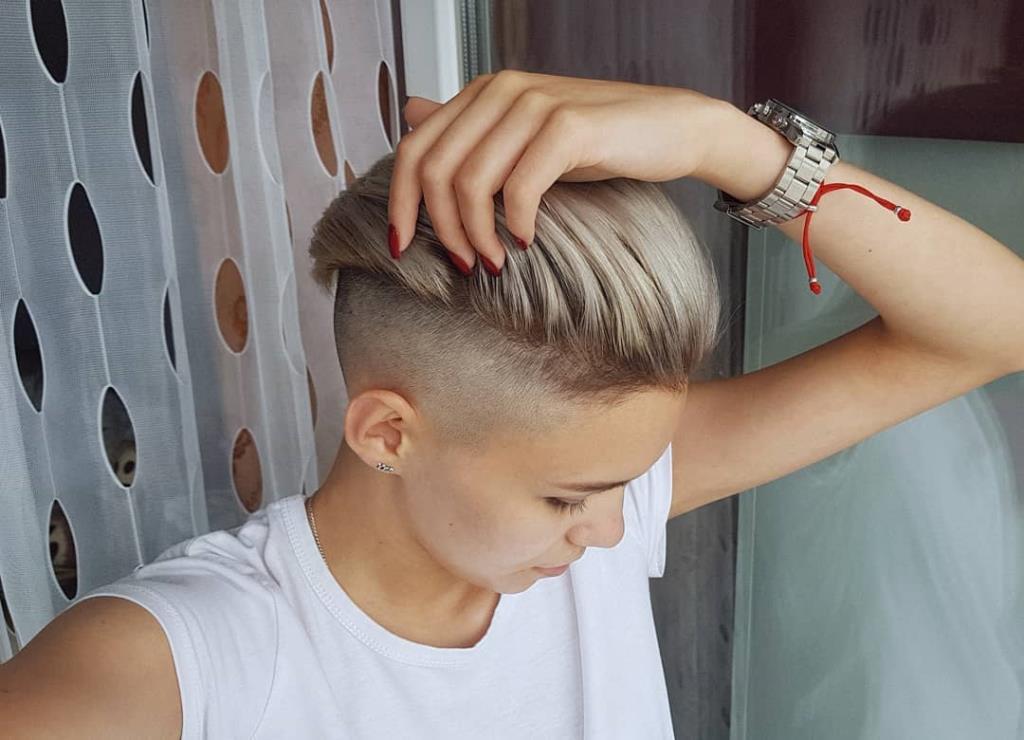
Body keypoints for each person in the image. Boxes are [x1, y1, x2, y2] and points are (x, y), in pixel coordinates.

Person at [2, 71, 1022, 738]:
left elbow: (993, 327)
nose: (615, 528)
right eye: (567, 497)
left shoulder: (590, 516)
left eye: (627, 481)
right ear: (388, 432)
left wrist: (727, 143)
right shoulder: (182, 660)